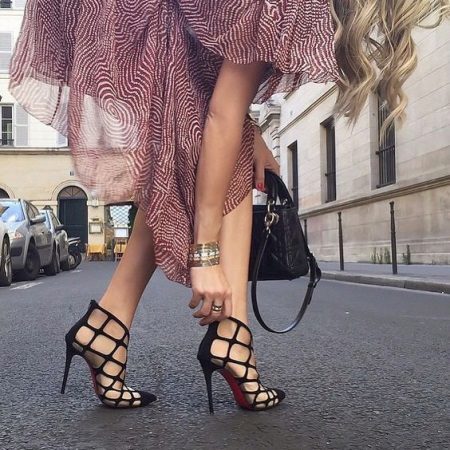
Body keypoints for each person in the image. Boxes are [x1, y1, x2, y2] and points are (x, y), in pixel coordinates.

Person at [8, 1, 449, 411]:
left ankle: (110, 327)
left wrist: (249, 131)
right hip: (133, 20)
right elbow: (221, 112)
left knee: (225, 146)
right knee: (222, 142)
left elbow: (216, 79)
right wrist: (205, 255)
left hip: (147, 24)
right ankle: (228, 338)